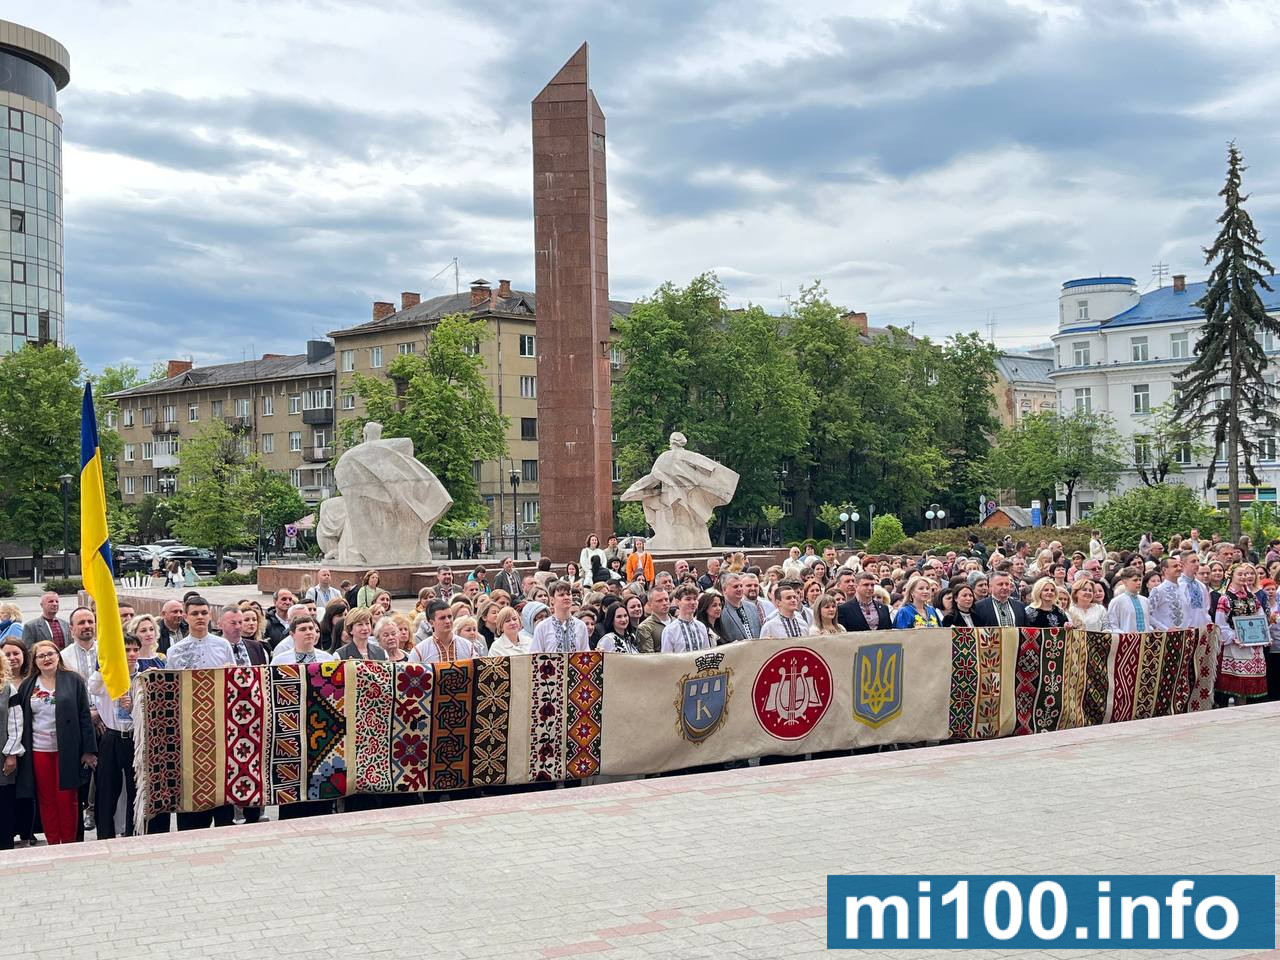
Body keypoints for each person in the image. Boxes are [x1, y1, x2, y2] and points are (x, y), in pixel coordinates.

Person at [15, 640, 96, 845]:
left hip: (67, 750)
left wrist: (88, 750)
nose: (46, 658)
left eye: (50, 654)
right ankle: (53, 842)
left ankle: (68, 842)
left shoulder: (73, 680)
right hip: (38, 750)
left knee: (67, 798)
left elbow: (85, 716)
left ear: (58, 655)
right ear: (35, 661)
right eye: (41, 656)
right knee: (46, 799)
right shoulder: (28, 684)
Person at [88, 635, 140, 840]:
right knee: (107, 788)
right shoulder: (105, 677)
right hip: (112, 735)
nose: (132, 654)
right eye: (126, 650)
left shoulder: (142, 677)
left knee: (135, 789)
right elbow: (93, 687)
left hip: (135, 737)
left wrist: (134, 707)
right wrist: (108, 662)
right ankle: (105, 835)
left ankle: (132, 832)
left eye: (135, 650)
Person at [1214, 563, 1268, 705]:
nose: (1244, 577)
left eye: (1245, 574)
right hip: (1236, 646)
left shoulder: (1252, 597)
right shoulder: (1225, 598)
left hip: (1253, 643)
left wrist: (1264, 634)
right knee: (1239, 685)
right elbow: (1220, 623)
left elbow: (1260, 616)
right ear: (1231, 576)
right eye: (1240, 574)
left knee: (1250, 686)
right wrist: (1233, 637)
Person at [167, 596, 235, 670]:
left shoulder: (223, 645)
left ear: (210, 615)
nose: (200, 617)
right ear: (185, 617)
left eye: (204, 613)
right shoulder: (174, 651)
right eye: (195, 614)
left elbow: (233, 675)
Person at [1, 645, 23, 850]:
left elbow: (16, 724)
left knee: (4, 802)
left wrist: (11, 754)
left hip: (3, 755)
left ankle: (6, 845)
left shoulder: (8, 688)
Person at [531, 581, 590, 654]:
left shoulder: (581, 625)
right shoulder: (542, 627)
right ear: (552, 599)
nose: (566, 597)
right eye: (561, 595)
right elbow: (535, 656)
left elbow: (586, 653)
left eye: (568, 594)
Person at [410, 601, 476, 662]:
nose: (448, 621)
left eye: (449, 617)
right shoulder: (419, 651)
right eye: (442, 618)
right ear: (431, 623)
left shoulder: (468, 646)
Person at [660, 583, 712, 652]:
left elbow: (706, 653)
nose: (693, 602)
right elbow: (666, 658)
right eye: (688, 599)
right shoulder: (670, 630)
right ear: (678, 602)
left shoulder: (701, 627)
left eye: (695, 599)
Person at [271, 614, 336, 665]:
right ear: (292, 634)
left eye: (311, 628)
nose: (308, 632)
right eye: (303, 629)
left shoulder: (327, 659)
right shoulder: (280, 661)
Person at [1148, 556, 1188, 631]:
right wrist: (1165, 629)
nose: (1179, 568)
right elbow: (1147, 615)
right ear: (1165, 569)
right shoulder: (1158, 590)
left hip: (1185, 635)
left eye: (1179, 565)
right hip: (1167, 636)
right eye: (1175, 566)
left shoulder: (1183, 588)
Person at [60, 607, 99, 683]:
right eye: (81, 623)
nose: (87, 626)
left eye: (90, 622)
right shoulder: (64, 657)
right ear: (71, 629)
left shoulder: (106, 652)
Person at [718, 574, 761, 643]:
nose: (739, 589)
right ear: (724, 589)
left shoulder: (752, 607)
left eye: (741, 586)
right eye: (735, 586)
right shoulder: (720, 610)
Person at [1107, 568, 1151, 632]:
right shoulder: (1116, 602)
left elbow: (1147, 623)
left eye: (1140, 580)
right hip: (1126, 640)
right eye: (1135, 580)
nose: (1139, 583)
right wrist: (1126, 635)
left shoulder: (1145, 601)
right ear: (1125, 582)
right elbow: (1112, 625)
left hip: (1144, 640)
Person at [634, 587, 671, 654]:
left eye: (666, 599)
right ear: (650, 604)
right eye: (659, 601)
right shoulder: (645, 627)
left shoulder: (676, 621)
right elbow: (649, 656)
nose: (665, 603)